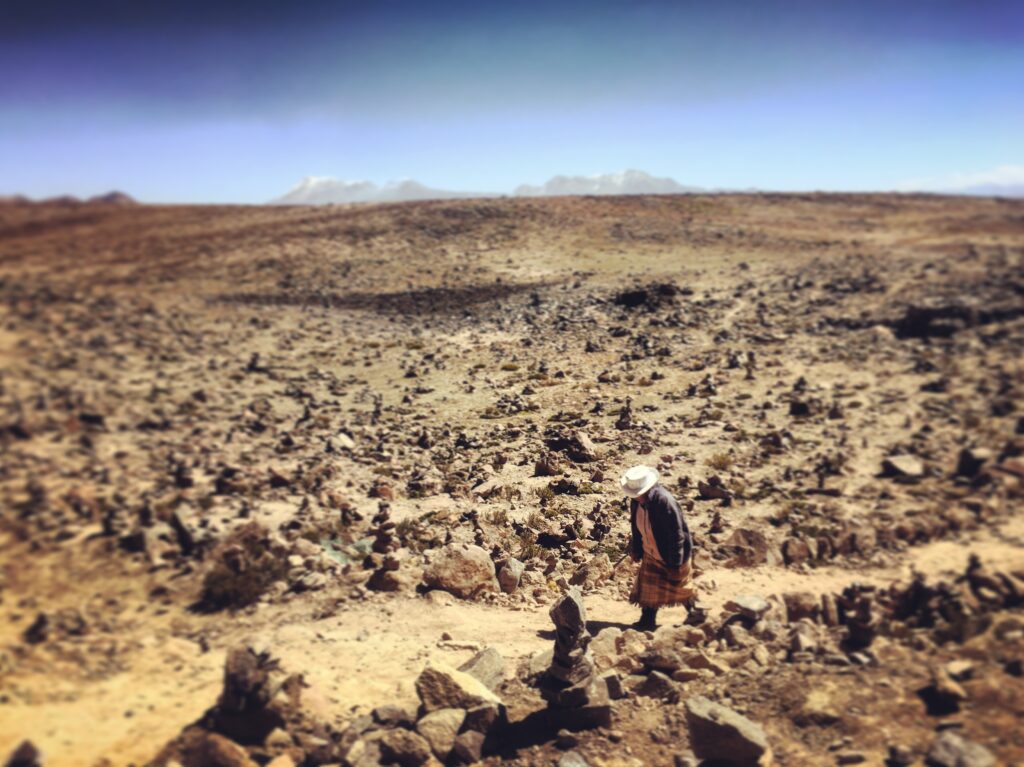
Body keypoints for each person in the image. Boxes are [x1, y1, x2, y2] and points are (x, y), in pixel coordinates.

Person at [620, 464, 694, 631]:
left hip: (671, 553)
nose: (635, 497)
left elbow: (676, 535)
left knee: (680, 586)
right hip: (651, 551)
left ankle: (696, 611)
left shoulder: (664, 502)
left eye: (638, 493)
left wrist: (675, 563)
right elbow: (636, 528)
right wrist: (637, 549)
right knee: (648, 587)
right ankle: (647, 620)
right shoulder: (636, 502)